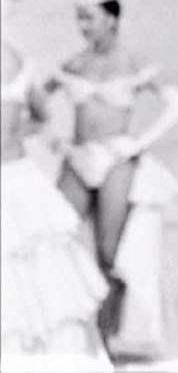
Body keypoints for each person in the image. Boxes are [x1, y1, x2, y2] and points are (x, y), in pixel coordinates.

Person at [45, 0, 178, 363]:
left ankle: (107, 342)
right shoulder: (74, 63)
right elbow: (34, 105)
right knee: (57, 239)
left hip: (115, 160)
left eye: (89, 17)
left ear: (110, 19)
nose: (82, 26)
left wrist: (136, 144)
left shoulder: (133, 61)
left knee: (109, 253)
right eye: (79, 18)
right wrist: (55, 140)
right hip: (78, 158)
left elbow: (177, 105)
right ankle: (69, 336)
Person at [1, 36, 114, 373]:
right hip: (15, 174)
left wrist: (14, 132)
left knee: (44, 274)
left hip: (18, 179)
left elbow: (41, 114)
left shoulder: (11, 56)